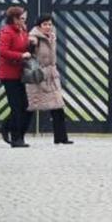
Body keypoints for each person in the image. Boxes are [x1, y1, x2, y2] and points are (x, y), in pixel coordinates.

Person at [26, 13, 74, 145]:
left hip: (51, 77)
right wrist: (31, 45)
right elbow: (28, 56)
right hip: (39, 77)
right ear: (39, 26)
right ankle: (7, 127)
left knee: (58, 107)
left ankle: (61, 138)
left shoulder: (51, 37)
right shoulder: (33, 38)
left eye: (50, 24)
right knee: (30, 106)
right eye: (45, 24)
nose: (48, 26)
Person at [0, 5, 32, 148]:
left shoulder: (23, 31)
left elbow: (25, 46)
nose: (24, 20)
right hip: (9, 75)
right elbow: (3, 51)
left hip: (20, 74)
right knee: (17, 107)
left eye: (25, 18)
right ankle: (17, 139)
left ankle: (5, 127)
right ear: (14, 19)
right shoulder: (7, 32)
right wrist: (21, 55)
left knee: (26, 106)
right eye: (22, 18)